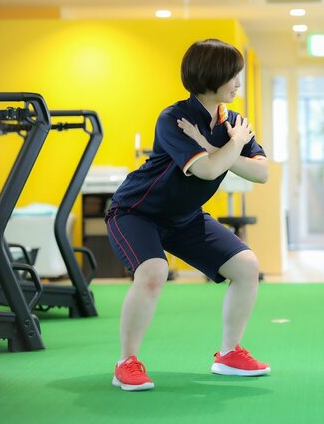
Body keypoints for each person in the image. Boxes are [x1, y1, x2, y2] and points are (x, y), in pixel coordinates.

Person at [106, 38, 270, 392]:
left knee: (246, 266)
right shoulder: (175, 118)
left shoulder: (234, 123)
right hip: (136, 212)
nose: (238, 83)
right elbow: (207, 170)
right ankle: (126, 362)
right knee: (154, 271)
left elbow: (261, 173)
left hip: (185, 217)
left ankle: (229, 354)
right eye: (233, 75)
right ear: (211, 75)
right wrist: (233, 145)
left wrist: (217, 146)